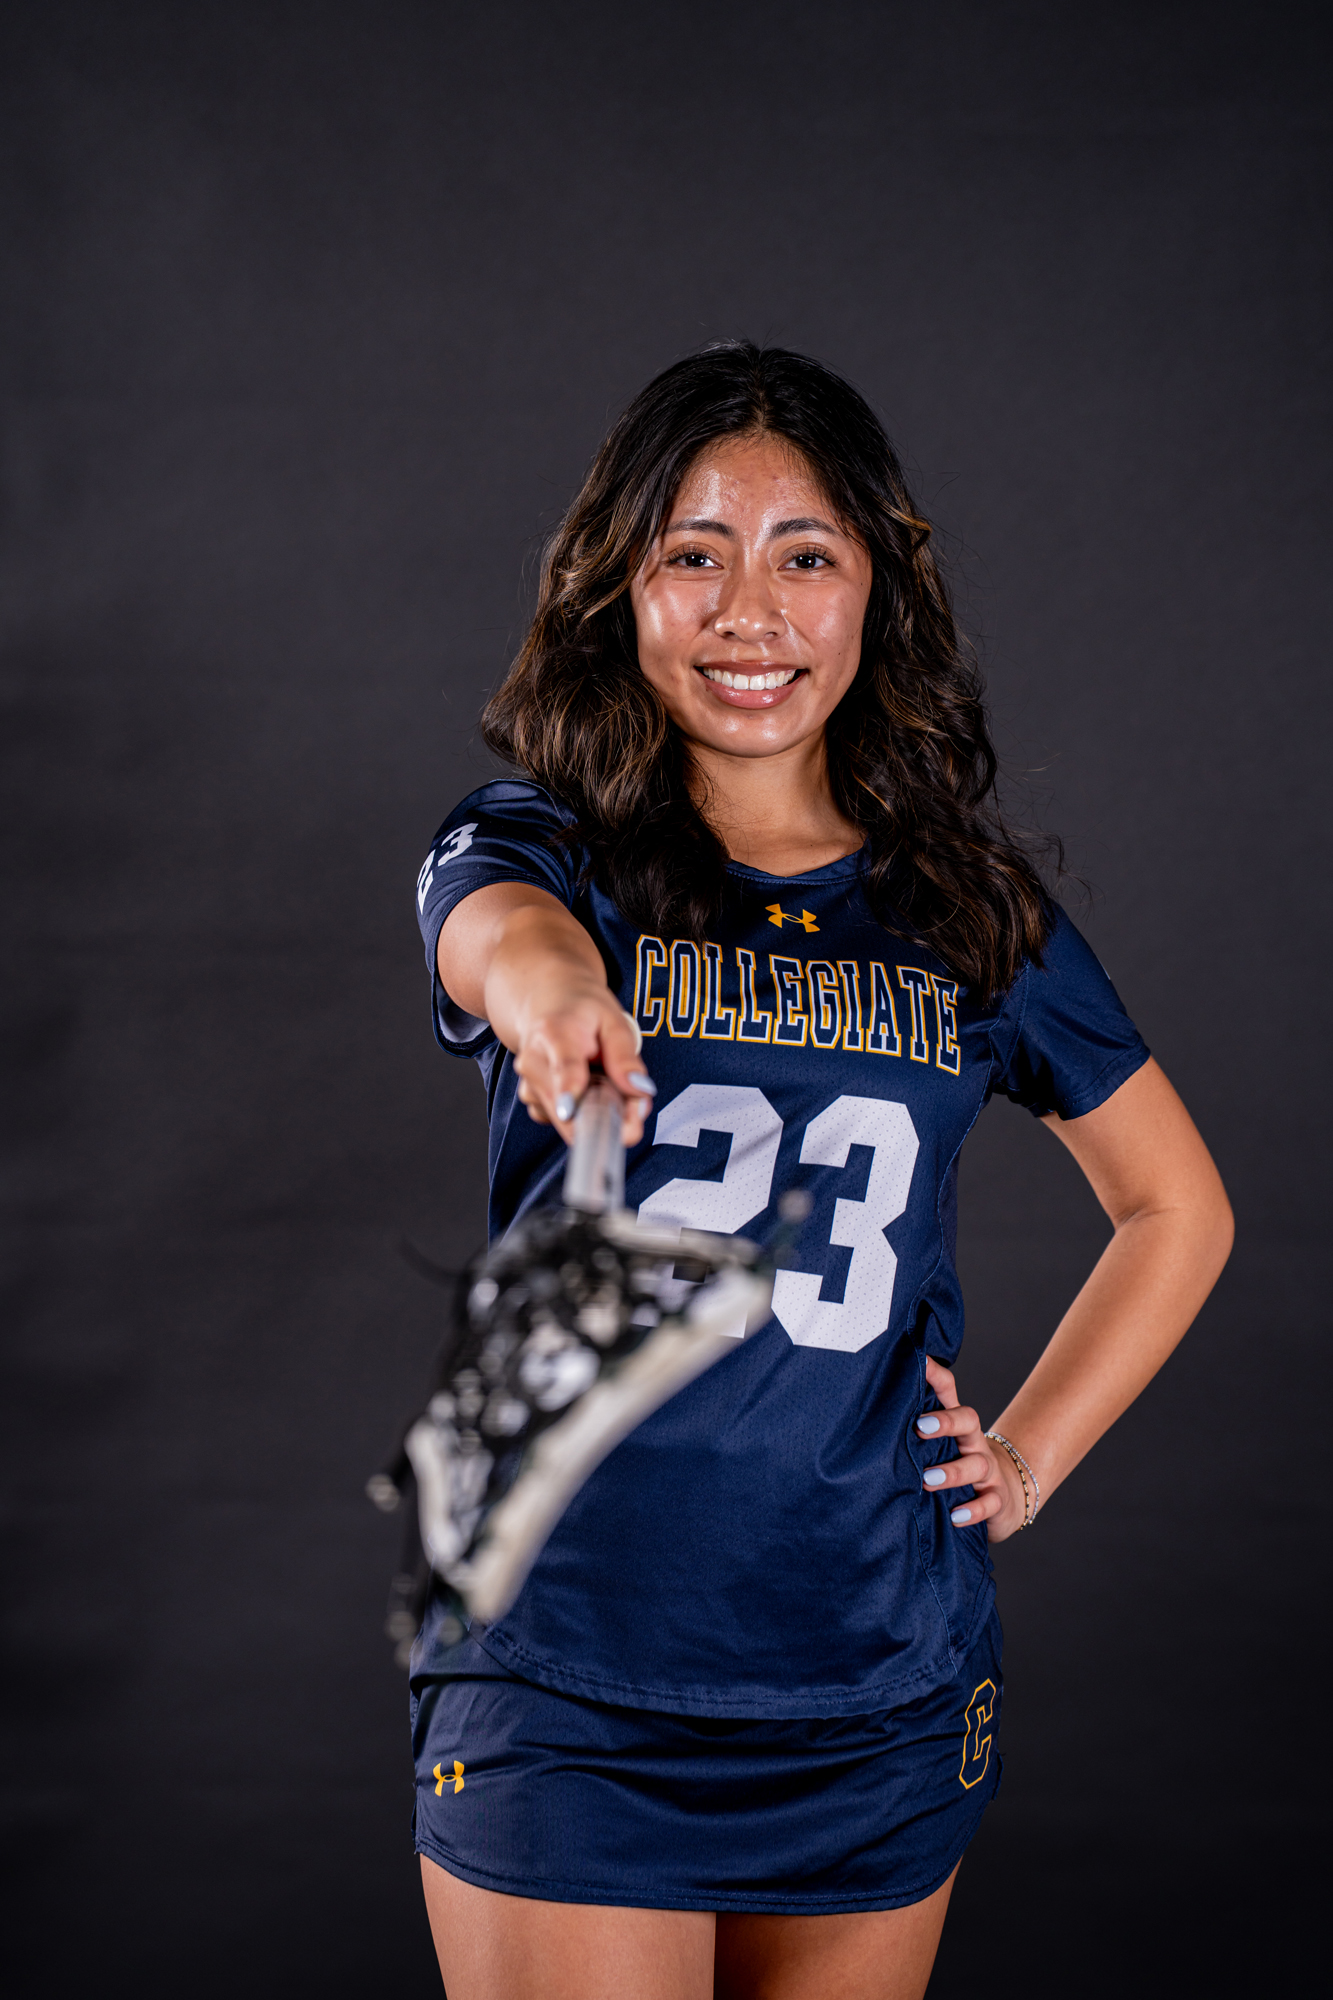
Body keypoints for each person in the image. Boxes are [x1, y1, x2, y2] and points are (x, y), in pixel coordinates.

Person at [409, 342, 1232, 2000]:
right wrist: (554, 995)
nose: (748, 612)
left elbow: (1176, 1208)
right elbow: (494, 935)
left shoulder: (966, 912)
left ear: (875, 588)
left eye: (804, 557)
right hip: (563, 1663)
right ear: (618, 587)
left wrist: (1024, 1459)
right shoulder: (542, 845)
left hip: (874, 1669)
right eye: (691, 555)